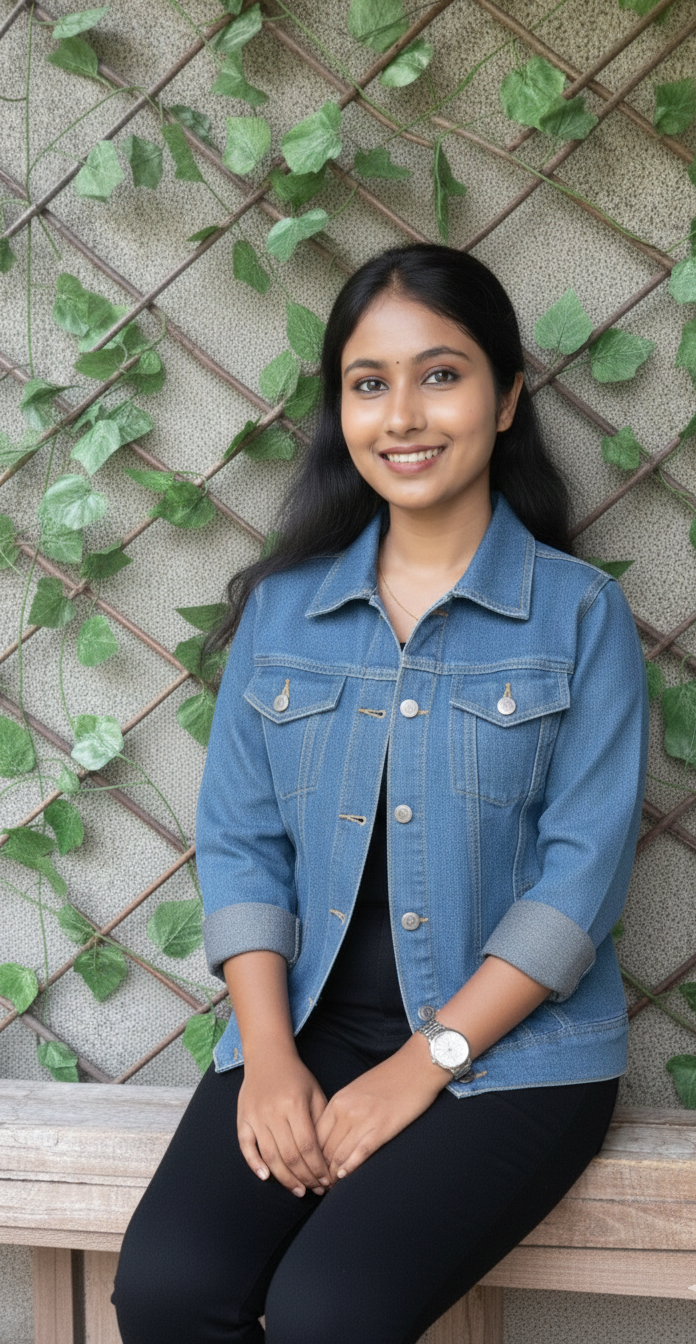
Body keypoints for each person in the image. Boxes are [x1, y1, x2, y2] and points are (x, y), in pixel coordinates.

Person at [113, 243, 648, 1344]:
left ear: (507, 400)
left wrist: (421, 1068)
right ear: (342, 411)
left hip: (515, 1057)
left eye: (441, 375)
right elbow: (241, 843)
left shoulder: (580, 616)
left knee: (332, 1313)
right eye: (369, 383)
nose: (402, 415)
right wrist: (268, 1060)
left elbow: (582, 880)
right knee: (169, 1290)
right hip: (306, 1028)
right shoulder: (284, 613)